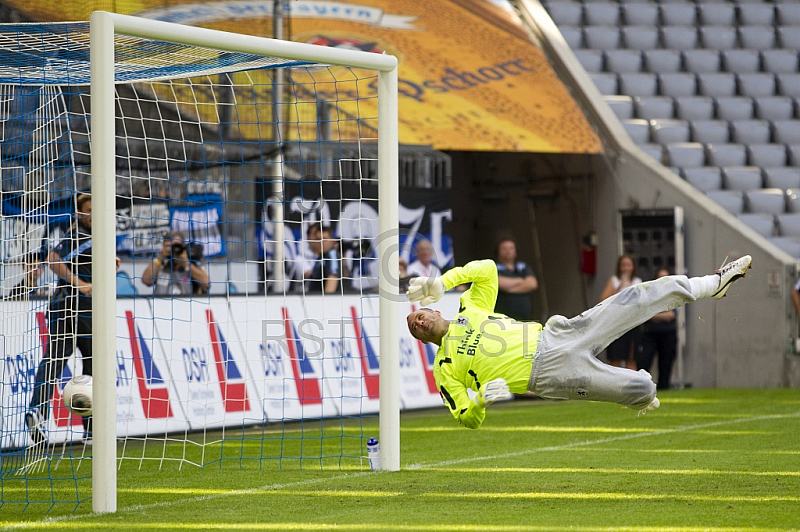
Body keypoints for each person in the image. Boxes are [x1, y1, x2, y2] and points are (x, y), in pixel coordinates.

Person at [405, 255, 752, 429]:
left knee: (633, 297)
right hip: (548, 374)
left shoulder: (471, 306)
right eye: (414, 327)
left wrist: (445, 280)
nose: (418, 321)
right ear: (422, 338)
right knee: (641, 387)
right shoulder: (445, 368)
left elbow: (488, 268)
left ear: (432, 309)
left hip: (556, 334)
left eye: (418, 315)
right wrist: (479, 400)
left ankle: (710, 284)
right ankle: (644, 397)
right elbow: (466, 417)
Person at [26, 194, 121, 445]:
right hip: (75, 307)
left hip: (77, 309)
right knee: (71, 362)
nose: (93, 215)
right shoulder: (77, 235)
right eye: (89, 210)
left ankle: (80, 426)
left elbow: (86, 265)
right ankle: (43, 413)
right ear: (79, 214)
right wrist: (81, 284)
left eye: (96, 210)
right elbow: (53, 260)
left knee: (80, 365)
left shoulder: (96, 239)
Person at [636, 268, 679, 391]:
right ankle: (642, 388)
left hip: (668, 332)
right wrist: (662, 315)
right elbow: (645, 314)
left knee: (666, 363)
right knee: (644, 361)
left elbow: (672, 315)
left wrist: (655, 315)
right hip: (650, 333)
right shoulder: (649, 295)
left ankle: (664, 388)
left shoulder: (674, 295)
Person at [599, 254, 643, 368]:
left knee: (632, 357)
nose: (626, 268)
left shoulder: (638, 281)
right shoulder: (614, 281)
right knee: (615, 357)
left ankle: (631, 384)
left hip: (632, 323)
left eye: (629, 265)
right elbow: (603, 300)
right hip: (616, 323)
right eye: (623, 265)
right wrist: (619, 288)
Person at [141, 231, 209, 296]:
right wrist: (160, 257)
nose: (172, 249)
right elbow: (146, 280)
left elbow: (206, 283)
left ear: (183, 246)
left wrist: (186, 264)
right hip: (162, 305)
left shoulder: (193, 262)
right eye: (168, 246)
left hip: (187, 305)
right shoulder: (160, 263)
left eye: (176, 246)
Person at [494, 237, 538, 321]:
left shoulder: (523, 266)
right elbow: (499, 283)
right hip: (502, 318)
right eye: (504, 248)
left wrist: (509, 290)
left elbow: (532, 284)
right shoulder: (493, 267)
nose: (508, 251)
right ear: (498, 251)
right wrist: (521, 280)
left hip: (525, 317)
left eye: (511, 248)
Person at [304, 225, 340, 294]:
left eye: (325, 239)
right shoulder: (320, 257)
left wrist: (325, 301)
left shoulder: (332, 255)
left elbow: (333, 277)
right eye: (318, 239)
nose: (321, 243)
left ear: (332, 241)